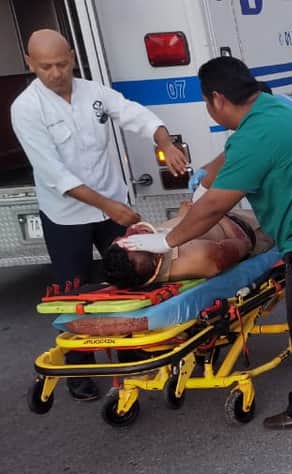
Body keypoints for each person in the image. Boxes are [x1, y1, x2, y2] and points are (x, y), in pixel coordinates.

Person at [119, 56, 292, 430]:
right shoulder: (271, 110)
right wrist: (203, 184)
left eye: (206, 104)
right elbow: (226, 163)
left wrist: (167, 240)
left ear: (217, 99)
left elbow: (214, 207)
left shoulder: (256, 133)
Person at [10, 29, 188, 401]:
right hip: (67, 213)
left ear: (73, 57)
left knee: (129, 278)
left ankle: (131, 350)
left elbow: (133, 113)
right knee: (73, 291)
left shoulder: (93, 92)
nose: (55, 73)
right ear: (30, 63)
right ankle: (79, 367)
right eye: (45, 67)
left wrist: (164, 141)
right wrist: (109, 206)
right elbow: (55, 174)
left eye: (61, 64)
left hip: (111, 202)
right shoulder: (26, 109)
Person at [188, 81, 292, 193]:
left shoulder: (282, 120)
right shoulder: (272, 109)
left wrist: (202, 193)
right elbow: (235, 153)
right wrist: (206, 170)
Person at [102, 202, 273, 288]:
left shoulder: (141, 248)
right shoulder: (198, 258)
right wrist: (213, 211)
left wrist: (184, 215)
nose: (134, 236)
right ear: (155, 260)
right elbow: (245, 244)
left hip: (212, 214)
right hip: (251, 226)